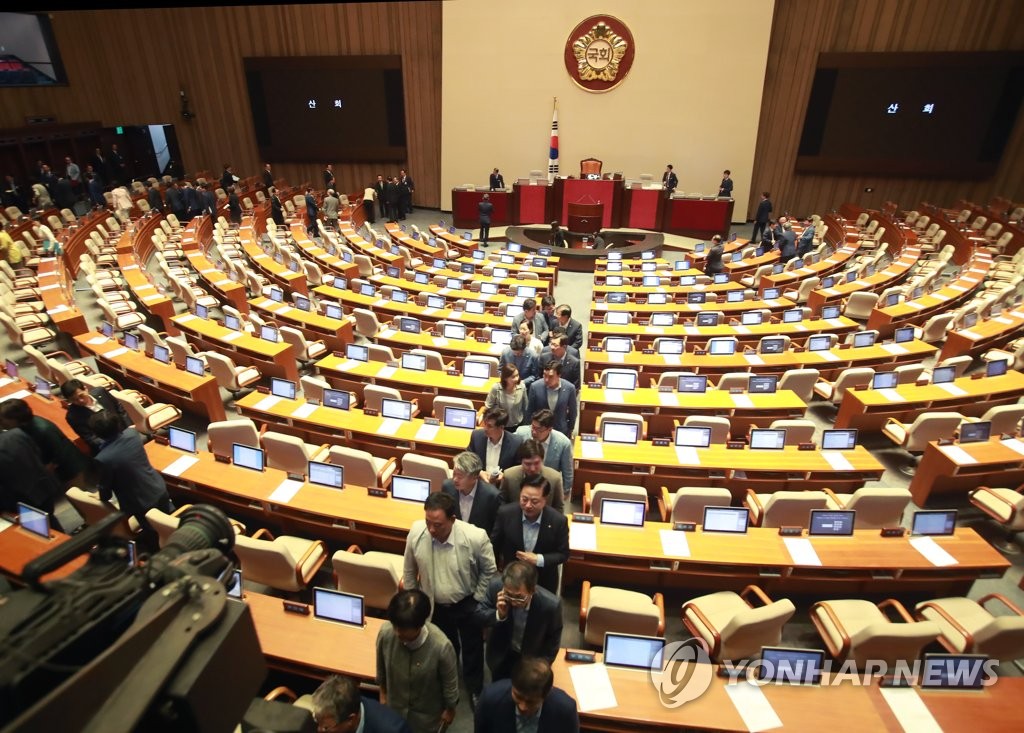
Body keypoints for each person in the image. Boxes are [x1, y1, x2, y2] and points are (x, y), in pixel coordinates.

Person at [402, 492, 496, 711]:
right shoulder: (417, 532)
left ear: (452, 519)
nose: (431, 530)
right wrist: (414, 601)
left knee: (472, 647)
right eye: (428, 522)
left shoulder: (475, 537)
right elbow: (409, 571)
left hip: (467, 602)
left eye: (438, 525)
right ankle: (447, 685)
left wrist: (478, 598)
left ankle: (474, 688)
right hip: (434, 604)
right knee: (444, 646)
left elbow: (489, 570)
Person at [376, 589, 459, 733]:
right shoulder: (386, 633)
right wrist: (382, 693)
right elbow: (381, 667)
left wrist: (450, 709)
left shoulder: (441, 647)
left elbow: (450, 684)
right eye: (395, 625)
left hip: (426, 719)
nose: (397, 632)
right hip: (395, 710)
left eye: (403, 629)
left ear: (419, 625)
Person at [91, 411, 174, 535]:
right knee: (171, 518)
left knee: (156, 532)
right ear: (118, 424)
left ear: (97, 434)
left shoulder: (103, 458)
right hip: (158, 487)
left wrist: (101, 494)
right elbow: (130, 429)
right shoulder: (133, 434)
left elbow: (105, 492)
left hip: (140, 503)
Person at [476, 563, 563, 682]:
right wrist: (499, 615)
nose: (513, 602)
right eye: (508, 595)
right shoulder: (495, 587)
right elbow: (479, 616)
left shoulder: (550, 605)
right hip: (501, 654)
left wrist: (543, 664)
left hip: (530, 658)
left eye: (519, 597)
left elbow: (553, 638)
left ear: (532, 590)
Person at [489, 476, 569, 595]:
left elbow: (563, 554)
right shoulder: (505, 513)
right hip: (511, 580)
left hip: (543, 581)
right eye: (524, 499)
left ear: (545, 500)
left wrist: (539, 559)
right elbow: (494, 545)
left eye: (534, 501)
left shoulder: (558, 521)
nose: (528, 505)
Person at [0, 398, 89, 489]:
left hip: (69, 466)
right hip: (51, 466)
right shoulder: (22, 425)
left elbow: (59, 453)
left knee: (75, 492)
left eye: (2, 419)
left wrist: (47, 468)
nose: (1, 422)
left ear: (17, 418)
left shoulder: (43, 430)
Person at [473, 657, 579, 733]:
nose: (522, 707)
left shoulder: (565, 710)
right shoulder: (490, 699)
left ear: (546, 694)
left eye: (531, 702)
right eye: (518, 696)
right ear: (512, 685)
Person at [0, 428, 63, 524]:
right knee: (49, 518)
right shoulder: (17, 433)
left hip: (20, 498)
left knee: (41, 525)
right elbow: (37, 452)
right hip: (43, 486)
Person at [311, 674, 412, 733]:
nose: (319, 730)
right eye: (316, 719)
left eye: (326, 728)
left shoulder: (393, 730)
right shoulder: (345, 707)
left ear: (350, 720)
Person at [513, 409, 573, 501]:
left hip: (547, 488)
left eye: (539, 429)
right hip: (523, 485)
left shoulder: (563, 443)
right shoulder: (521, 433)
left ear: (550, 429)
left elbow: (567, 472)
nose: (534, 432)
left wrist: (564, 492)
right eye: (533, 427)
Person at [441, 451, 501, 535]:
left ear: (474, 477)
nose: (455, 479)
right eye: (454, 474)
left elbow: (495, 529)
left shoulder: (491, 496)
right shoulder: (447, 487)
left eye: (460, 476)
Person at [498, 439, 564, 513]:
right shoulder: (509, 476)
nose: (532, 469)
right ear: (521, 462)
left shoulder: (554, 478)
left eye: (536, 463)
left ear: (542, 460)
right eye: (528, 464)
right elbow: (502, 503)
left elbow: (558, 508)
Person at [467, 406, 523, 485]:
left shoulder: (516, 443)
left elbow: (518, 469)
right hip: (479, 484)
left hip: (502, 487)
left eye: (489, 426)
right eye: (485, 424)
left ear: (501, 427)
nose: (485, 428)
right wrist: (479, 472)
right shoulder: (476, 436)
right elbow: (467, 460)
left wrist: (505, 476)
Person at [526, 362, 577, 439]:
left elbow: (573, 412)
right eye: (544, 375)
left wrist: (570, 429)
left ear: (559, 375)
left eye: (550, 377)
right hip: (540, 431)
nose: (546, 379)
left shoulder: (570, 388)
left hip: (560, 430)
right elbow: (530, 411)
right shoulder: (535, 387)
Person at [485, 364, 528, 430]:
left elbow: (525, 407)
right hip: (500, 425)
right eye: (513, 377)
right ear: (505, 378)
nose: (516, 379)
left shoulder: (522, 386)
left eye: (517, 375)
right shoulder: (496, 388)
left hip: (517, 424)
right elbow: (488, 407)